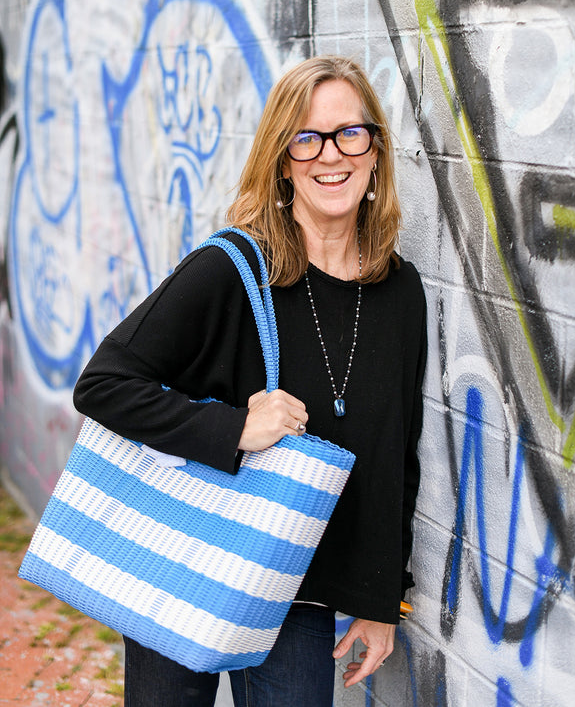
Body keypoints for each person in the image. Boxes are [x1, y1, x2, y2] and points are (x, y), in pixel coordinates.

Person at [73, 55, 427, 707]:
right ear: (282, 159)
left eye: (351, 133)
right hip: (182, 563)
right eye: (307, 137)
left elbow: (393, 456)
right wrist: (235, 426)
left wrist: (382, 598)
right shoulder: (231, 269)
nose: (331, 155)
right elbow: (102, 384)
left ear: (376, 151)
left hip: (299, 582)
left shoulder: (398, 290)